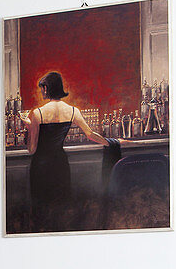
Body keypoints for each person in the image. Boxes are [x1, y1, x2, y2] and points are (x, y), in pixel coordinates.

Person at [18, 71, 109, 231]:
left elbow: (32, 149)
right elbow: (90, 134)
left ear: (46, 88)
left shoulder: (38, 114)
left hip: (41, 166)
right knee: (61, 212)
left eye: (42, 89)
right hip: (60, 165)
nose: (41, 91)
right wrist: (110, 143)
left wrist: (29, 127)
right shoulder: (73, 111)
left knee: (41, 212)